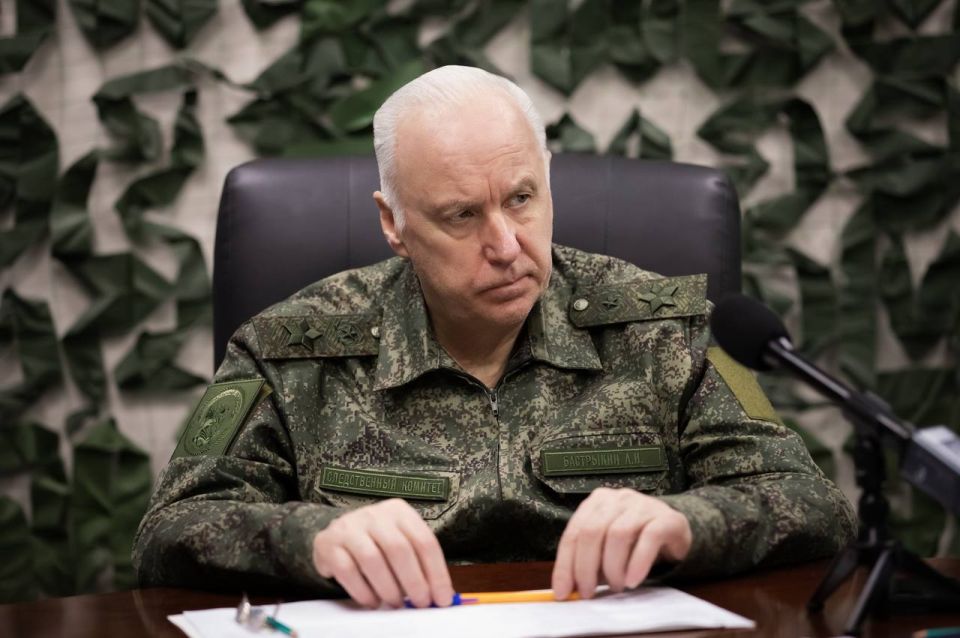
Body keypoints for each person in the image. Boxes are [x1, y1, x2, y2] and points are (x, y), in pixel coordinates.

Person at [133, 65, 856, 609]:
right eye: (461, 216)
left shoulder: (668, 327)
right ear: (393, 223)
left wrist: (684, 522)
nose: (507, 245)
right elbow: (169, 531)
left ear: (548, 183)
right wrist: (309, 540)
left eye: (521, 198)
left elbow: (812, 503)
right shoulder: (290, 347)